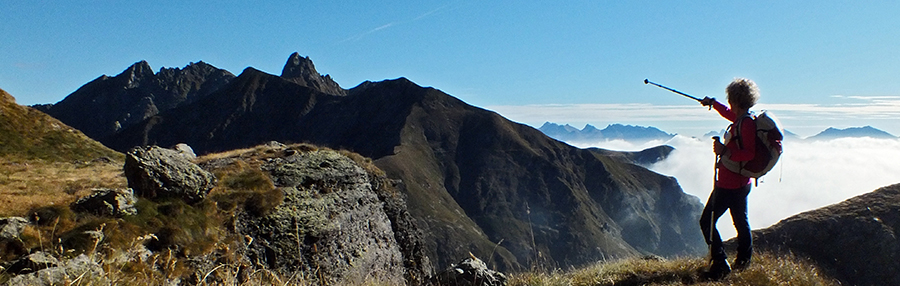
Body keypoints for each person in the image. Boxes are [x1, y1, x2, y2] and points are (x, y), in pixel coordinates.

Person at [698, 78, 759, 279]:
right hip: (741, 183)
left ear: (734, 98)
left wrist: (725, 151)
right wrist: (713, 103)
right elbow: (728, 113)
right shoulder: (743, 119)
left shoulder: (746, 124)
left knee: (707, 221)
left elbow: (749, 153)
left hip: (729, 184)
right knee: (741, 221)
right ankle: (743, 261)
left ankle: (720, 262)